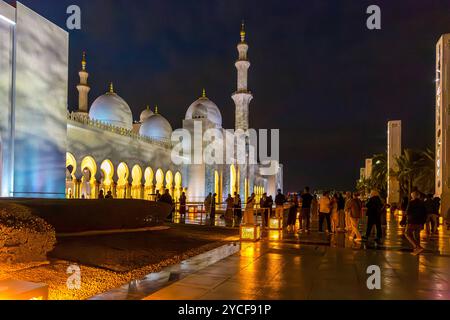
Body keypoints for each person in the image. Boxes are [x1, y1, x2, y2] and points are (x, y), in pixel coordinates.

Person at [405, 191, 428, 255]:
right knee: (417, 235)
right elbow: (425, 213)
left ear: (413, 196)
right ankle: (417, 250)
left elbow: (407, 212)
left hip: (412, 221)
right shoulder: (422, 203)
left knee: (407, 233)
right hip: (420, 222)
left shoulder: (411, 203)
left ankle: (417, 247)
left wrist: (406, 219)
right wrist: (423, 222)